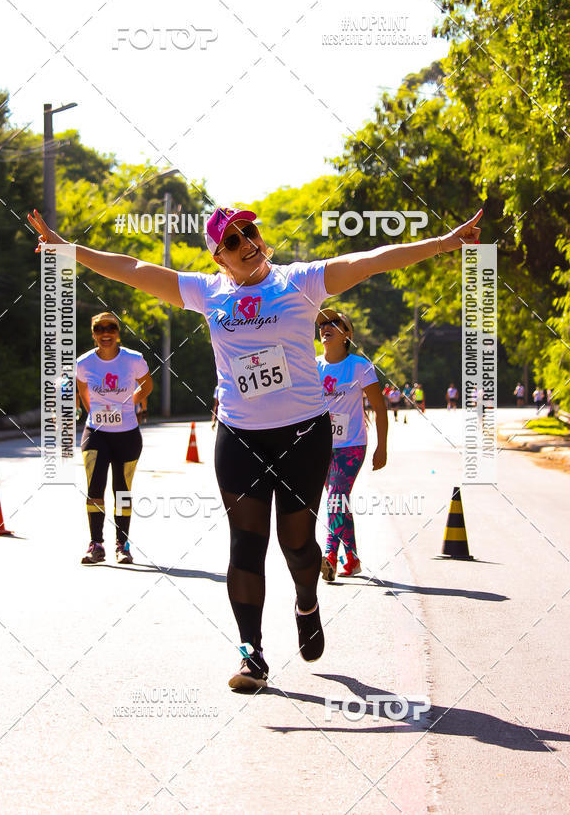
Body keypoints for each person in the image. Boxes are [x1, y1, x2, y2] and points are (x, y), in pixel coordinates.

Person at [28, 204, 482, 691]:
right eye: (232, 240)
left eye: (249, 232)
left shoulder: (300, 281)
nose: (245, 242)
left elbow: (371, 260)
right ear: (219, 257)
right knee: (246, 545)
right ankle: (252, 653)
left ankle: (306, 602)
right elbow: (133, 269)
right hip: (240, 437)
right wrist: (67, 248)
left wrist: (445, 242)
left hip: (304, 435)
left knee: (297, 543)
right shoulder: (206, 291)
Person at [75, 312, 153, 566]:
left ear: (118, 332)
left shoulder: (133, 359)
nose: (105, 333)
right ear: (93, 333)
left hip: (127, 435)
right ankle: (96, 545)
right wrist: (93, 412)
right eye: (99, 328)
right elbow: (83, 389)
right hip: (96, 434)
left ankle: (123, 545)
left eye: (111, 328)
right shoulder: (84, 363)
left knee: (122, 491)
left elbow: (147, 385)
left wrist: (130, 403)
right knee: (94, 489)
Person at [315, 309, 387, 580]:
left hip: (352, 445)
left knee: (335, 496)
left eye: (334, 323)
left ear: (347, 335)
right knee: (339, 501)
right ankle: (353, 559)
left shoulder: (360, 366)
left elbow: (380, 408)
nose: (326, 327)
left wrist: (382, 447)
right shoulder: (314, 366)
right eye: (322, 323)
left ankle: (330, 555)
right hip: (322, 446)